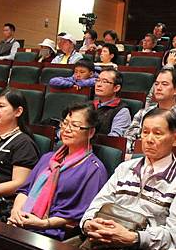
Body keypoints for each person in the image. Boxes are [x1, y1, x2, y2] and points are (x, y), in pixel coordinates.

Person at [80, 108, 176, 250]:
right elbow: (96, 205)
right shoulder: (125, 168)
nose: (149, 139)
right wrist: (88, 224)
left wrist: (134, 238)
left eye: (157, 133)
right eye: (145, 132)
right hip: (99, 241)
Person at [8, 102, 108, 240]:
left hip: (53, 233)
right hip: (21, 222)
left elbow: (80, 215)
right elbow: (25, 191)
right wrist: (16, 211)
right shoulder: (48, 158)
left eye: (74, 125)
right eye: (65, 123)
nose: (66, 129)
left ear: (90, 132)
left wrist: (43, 223)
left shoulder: (94, 169)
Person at [124, 69, 176, 154]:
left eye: (164, 84)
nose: (158, 88)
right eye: (156, 84)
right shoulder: (143, 113)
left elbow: (175, 149)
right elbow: (128, 140)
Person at [92, 67, 131, 136]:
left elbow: (114, 139)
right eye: (98, 80)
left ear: (116, 88)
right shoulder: (90, 105)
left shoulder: (122, 111)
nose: (99, 84)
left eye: (104, 81)